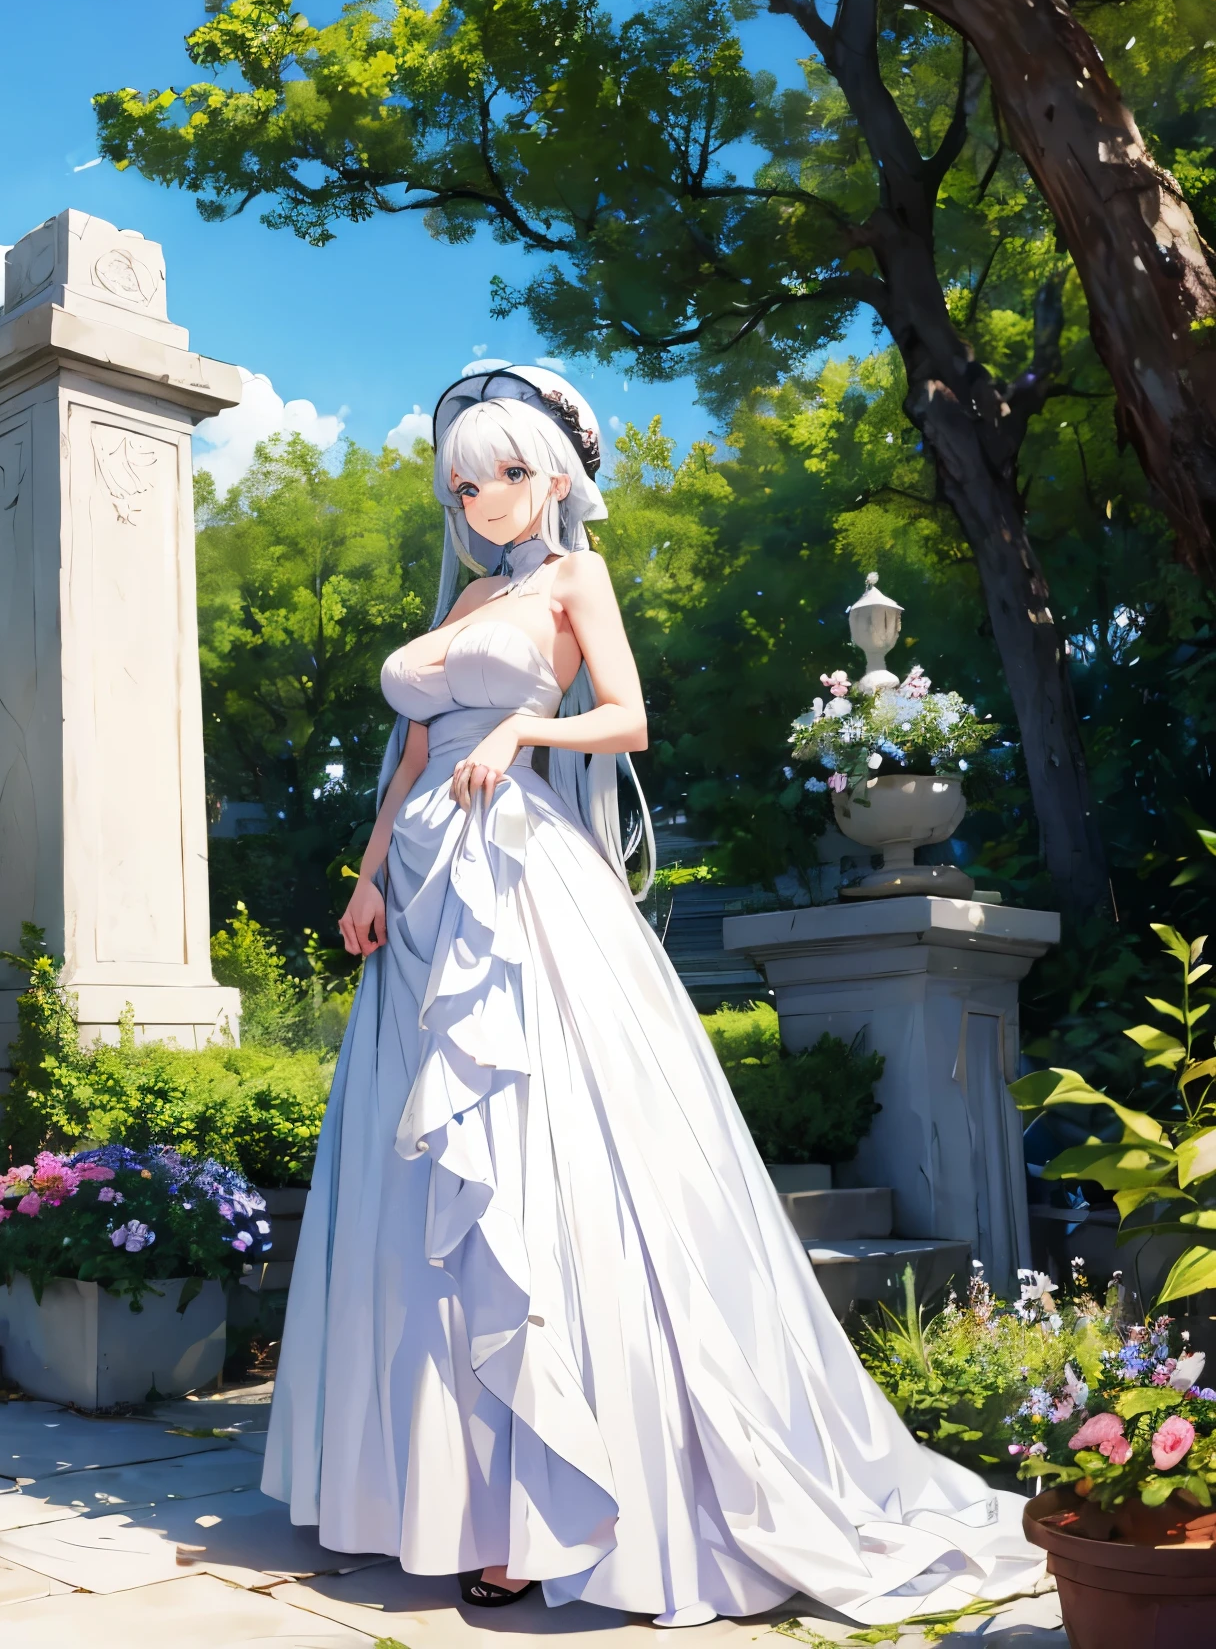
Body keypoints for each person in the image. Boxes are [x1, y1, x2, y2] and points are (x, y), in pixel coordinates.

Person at [261, 366, 1044, 1629]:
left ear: (553, 476)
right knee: (417, 1177)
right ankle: (428, 1489)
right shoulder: (465, 591)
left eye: (503, 472)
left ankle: (547, 1501)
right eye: (464, 481)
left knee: (531, 1156)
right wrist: (362, 877)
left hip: (518, 878)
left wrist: (523, 735)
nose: (481, 497)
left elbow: (625, 719)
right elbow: (410, 747)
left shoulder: (573, 581)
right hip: (416, 893)